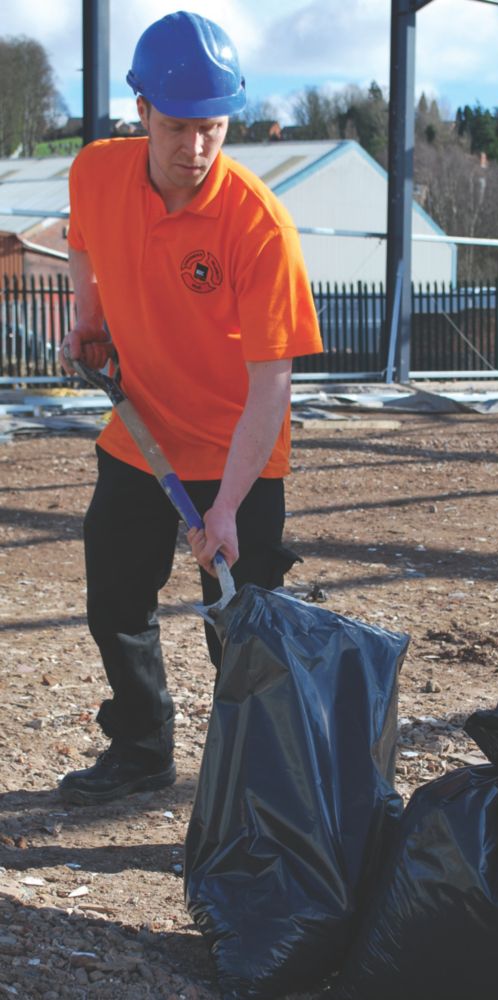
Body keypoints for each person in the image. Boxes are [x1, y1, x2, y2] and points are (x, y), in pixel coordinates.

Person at [58, 11, 323, 805]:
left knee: (237, 635)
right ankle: (141, 748)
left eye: (212, 127)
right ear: (140, 111)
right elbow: (82, 241)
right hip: (142, 431)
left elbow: (272, 388)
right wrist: (87, 317)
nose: (195, 148)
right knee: (115, 603)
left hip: (237, 447)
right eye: (177, 126)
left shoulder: (259, 225)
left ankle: (258, 786)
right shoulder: (96, 171)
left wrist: (231, 509)